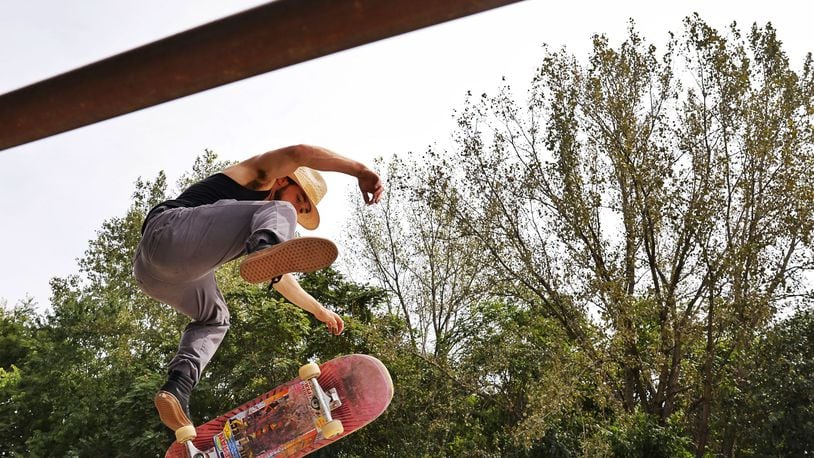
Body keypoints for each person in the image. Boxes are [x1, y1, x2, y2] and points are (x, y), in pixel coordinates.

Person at [132, 144, 383, 442]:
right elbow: (299, 151)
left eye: (303, 209)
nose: (298, 209)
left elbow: (279, 277)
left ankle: (177, 387)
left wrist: (318, 309)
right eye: (300, 198)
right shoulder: (255, 177)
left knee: (216, 319)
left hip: (153, 275)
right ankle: (264, 246)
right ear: (283, 179)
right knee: (278, 211)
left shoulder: (259, 218)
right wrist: (360, 171)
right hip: (168, 229)